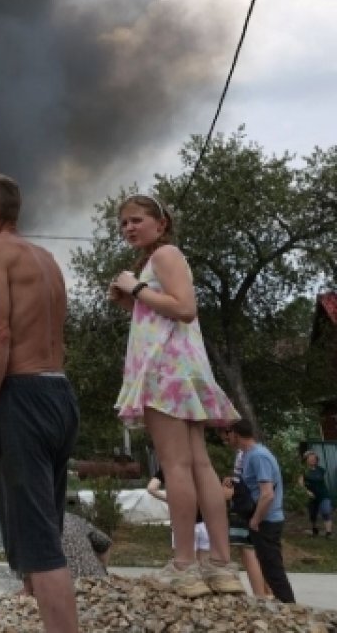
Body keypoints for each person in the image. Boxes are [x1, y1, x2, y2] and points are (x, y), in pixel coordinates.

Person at [0, 173, 80, 633]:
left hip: (25, 396)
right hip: (59, 394)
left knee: (39, 548)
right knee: (42, 534)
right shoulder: (46, 259)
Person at [109, 193, 243, 598]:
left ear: (161, 223)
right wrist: (133, 296)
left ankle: (184, 564)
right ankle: (219, 565)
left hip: (165, 372)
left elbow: (185, 307)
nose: (129, 228)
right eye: (123, 224)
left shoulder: (165, 254)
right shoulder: (160, 261)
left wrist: (136, 288)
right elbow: (165, 310)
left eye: (136, 220)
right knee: (198, 464)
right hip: (182, 370)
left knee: (176, 466)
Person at [228, 420, 296, 602]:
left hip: (267, 520)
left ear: (236, 434)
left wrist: (256, 519)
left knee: (273, 568)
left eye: (229, 434)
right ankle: (283, 604)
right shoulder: (249, 455)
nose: (228, 438)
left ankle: (289, 605)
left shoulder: (259, 456)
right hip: (260, 519)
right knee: (267, 565)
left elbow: (267, 494)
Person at [220, 427, 270, 598]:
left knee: (247, 550)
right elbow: (243, 478)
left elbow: (251, 484)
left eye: (227, 437)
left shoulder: (250, 454)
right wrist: (232, 479)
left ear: (234, 433)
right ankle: (266, 591)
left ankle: (259, 595)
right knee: (254, 550)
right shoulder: (249, 453)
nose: (226, 442)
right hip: (251, 506)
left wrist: (231, 492)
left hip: (245, 508)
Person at [148, 467, 209, 565]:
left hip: (181, 522)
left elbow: (151, 488)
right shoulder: (199, 466)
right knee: (204, 563)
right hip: (204, 520)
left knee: (186, 564)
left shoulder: (168, 469)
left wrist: (171, 499)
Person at [60, 512, 111, 579]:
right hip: (98, 581)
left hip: (69, 584)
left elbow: (105, 544)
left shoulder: (74, 519)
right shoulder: (73, 518)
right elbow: (104, 544)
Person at [300, 450, 333, 539]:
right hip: (311, 496)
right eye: (311, 458)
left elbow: (322, 481)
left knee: (326, 511)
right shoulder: (303, 470)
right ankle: (314, 528)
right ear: (306, 460)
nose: (313, 460)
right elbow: (300, 484)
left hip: (323, 494)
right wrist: (307, 492)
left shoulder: (321, 470)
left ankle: (328, 533)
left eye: (314, 459)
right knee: (313, 514)